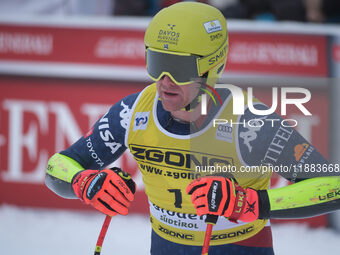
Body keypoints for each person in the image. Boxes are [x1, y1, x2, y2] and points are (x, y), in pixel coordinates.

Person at [45, 2, 340, 255]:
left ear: (212, 67)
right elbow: (59, 166)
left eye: (180, 68)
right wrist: (84, 182)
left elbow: (333, 186)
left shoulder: (249, 121)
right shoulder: (132, 111)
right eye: (156, 63)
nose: (164, 80)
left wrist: (250, 203)